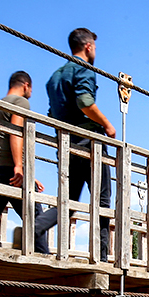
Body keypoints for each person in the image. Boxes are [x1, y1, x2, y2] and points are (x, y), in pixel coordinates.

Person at [39, 28, 117, 262]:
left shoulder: (54, 77)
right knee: (102, 203)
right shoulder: (84, 68)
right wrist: (108, 126)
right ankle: (102, 259)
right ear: (89, 46)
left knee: (68, 202)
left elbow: (52, 113)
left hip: (66, 145)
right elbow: (85, 101)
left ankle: (33, 229)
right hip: (89, 143)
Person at [0, 70, 49, 253]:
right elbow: (14, 132)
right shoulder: (21, 102)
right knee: (36, 217)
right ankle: (43, 258)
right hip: (11, 170)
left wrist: (30, 175)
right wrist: (19, 167)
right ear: (26, 85)